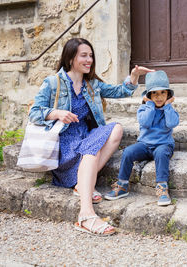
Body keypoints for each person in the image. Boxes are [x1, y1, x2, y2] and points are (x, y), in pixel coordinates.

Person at [29, 38, 154, 235]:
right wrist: (56, 113)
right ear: (71, 58)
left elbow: (120, 91)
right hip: (64, 144)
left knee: (116, 129)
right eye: (84, 55)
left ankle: (81, 184)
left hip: (85, 137)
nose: (89, 60)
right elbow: (34, 112)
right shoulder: (53, 82)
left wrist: (133, 77)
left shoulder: (92, 84)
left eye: (91, 55)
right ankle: (85, 215)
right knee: (92, 148)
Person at [104, 70, 179, 206]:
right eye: (154, 93)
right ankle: (122, 185)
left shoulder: (170, 110)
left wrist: (168, 106)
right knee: (127, 152)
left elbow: (172, 123)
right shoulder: (143, 109)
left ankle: (162, 188)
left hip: (163, 145)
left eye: (163, 93)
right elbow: (146, 123)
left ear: (168, 95)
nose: (159, 97)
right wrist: (149, 105)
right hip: (145, 145)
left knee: (161, 154)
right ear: (148, 96)